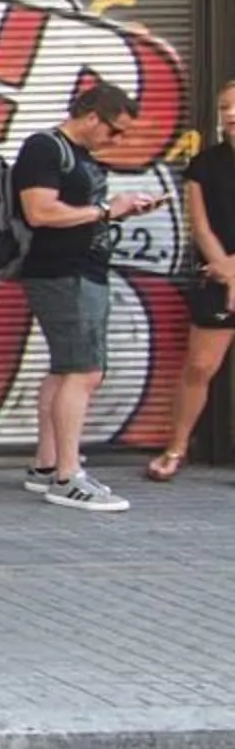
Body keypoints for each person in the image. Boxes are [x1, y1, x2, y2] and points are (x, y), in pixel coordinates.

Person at [14, 80, 165, 512]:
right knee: (85, 372)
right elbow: (39, 211)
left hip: (81, 272)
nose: (116, 141)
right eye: (114, 130)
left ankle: (46, 466)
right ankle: (67, 477)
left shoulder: (78, 155)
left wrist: (122, 209)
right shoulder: (44, 147)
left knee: (66, 370)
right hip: (63, 274)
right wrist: (106, 210)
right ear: (92, 116)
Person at [148, 80, 235, 483]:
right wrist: (227, 271)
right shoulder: (203, 164)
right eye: (224, 109)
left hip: (228, 273)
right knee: (199, 366)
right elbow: (199, 227)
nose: (229, 116)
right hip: (214, 275)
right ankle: (176, 447)